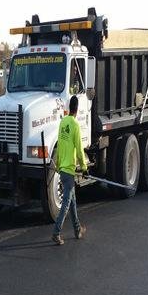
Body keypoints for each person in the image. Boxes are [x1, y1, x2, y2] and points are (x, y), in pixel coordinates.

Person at [52, 95, 87, 245]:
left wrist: (58, 164)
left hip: (63, 169)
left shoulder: (63, 122)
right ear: (77, 109)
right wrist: (84, 167)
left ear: (68, 107)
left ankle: (78, 230)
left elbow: (60, 144)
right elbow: (79, 149)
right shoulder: (75, 125)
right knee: (66, 202)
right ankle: (56, 232)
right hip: (69, 170)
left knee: (72, 201)